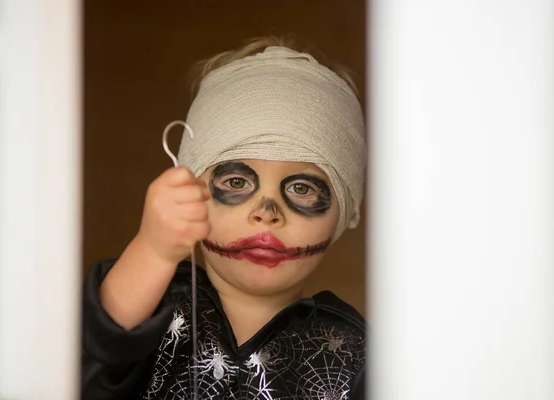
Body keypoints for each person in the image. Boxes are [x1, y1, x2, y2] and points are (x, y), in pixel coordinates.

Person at [82, 36, 367, 399]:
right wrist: (153, 250)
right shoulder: (153, 305)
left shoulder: (356, 355)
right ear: (191, 191)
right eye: (236, 181)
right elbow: (99, 343)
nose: (266, 214)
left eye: (301, 189)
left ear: (343, 211)